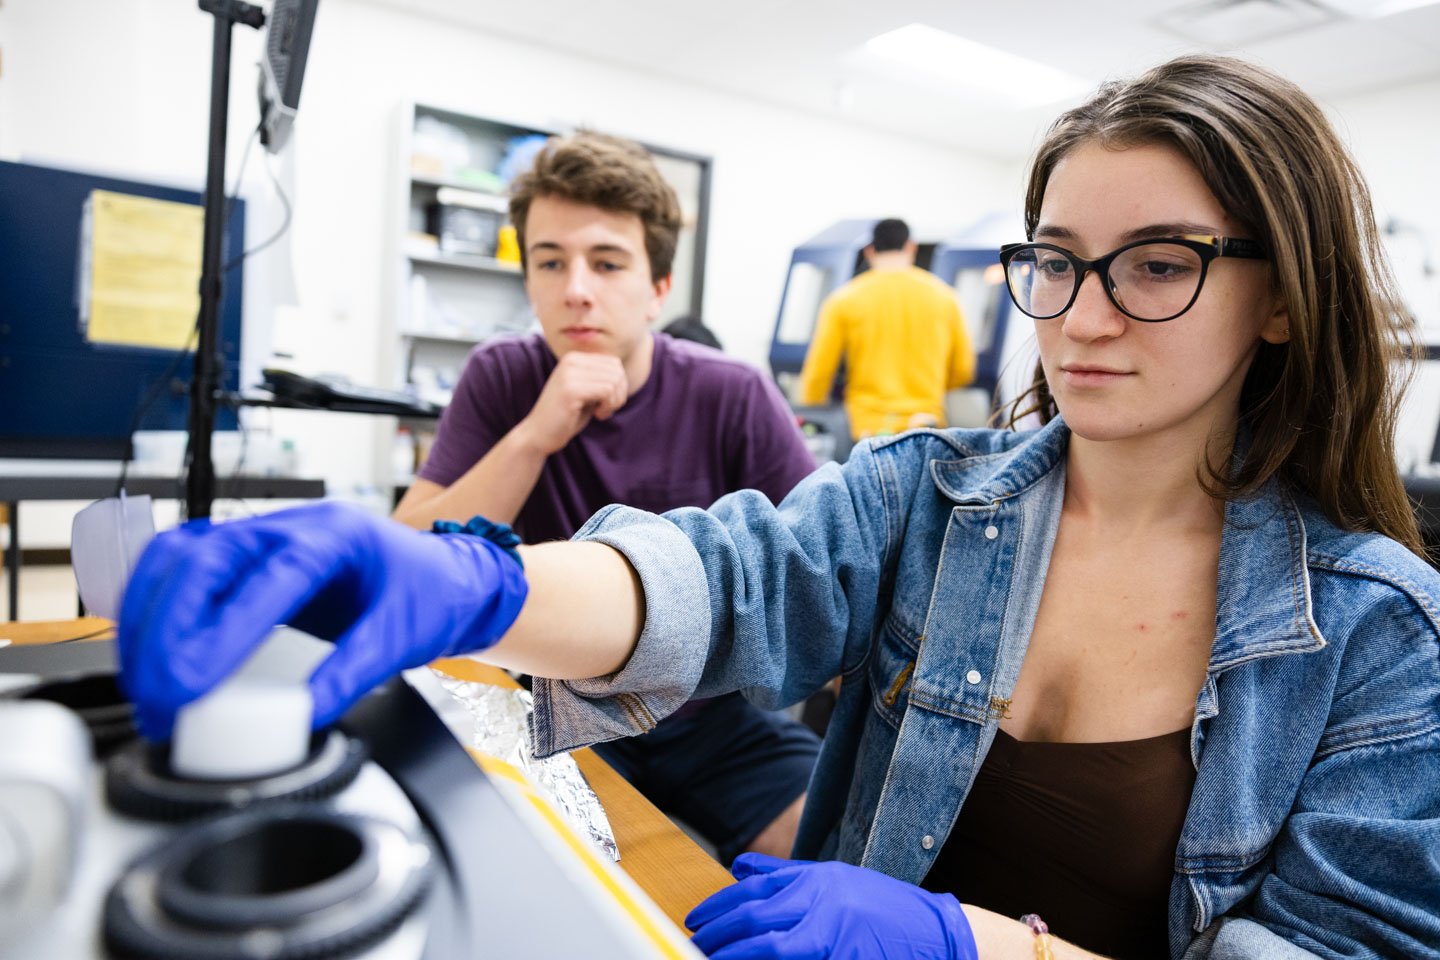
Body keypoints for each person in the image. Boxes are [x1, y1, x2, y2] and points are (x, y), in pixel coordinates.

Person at [117, 55, 1440, 960]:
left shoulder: (1383, 639)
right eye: (1052, 262)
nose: (1079, 318)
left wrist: (967, 943)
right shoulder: (925, 495)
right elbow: (731, 571)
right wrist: (486, 584)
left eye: (1159, 266)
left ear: (1281, 295)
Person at [391, 130, 822, 865]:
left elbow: (824, 567)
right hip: (550, 706)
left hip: (712, 715)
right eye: (549, 262)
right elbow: (411, 557)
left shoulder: (732, 392)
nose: (575, 289)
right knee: (561, 882)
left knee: (834, 848)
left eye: (607, 262)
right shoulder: (502, 376)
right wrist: (535, 435)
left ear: (658, 287)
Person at [795, 218, 976, 439]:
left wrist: (810, 423)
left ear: (870, 251)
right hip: (925, 425)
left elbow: (818, 374)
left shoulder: (844, 299)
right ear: (911, 247)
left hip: (864, 430)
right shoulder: (945, 297)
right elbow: (963, 370)